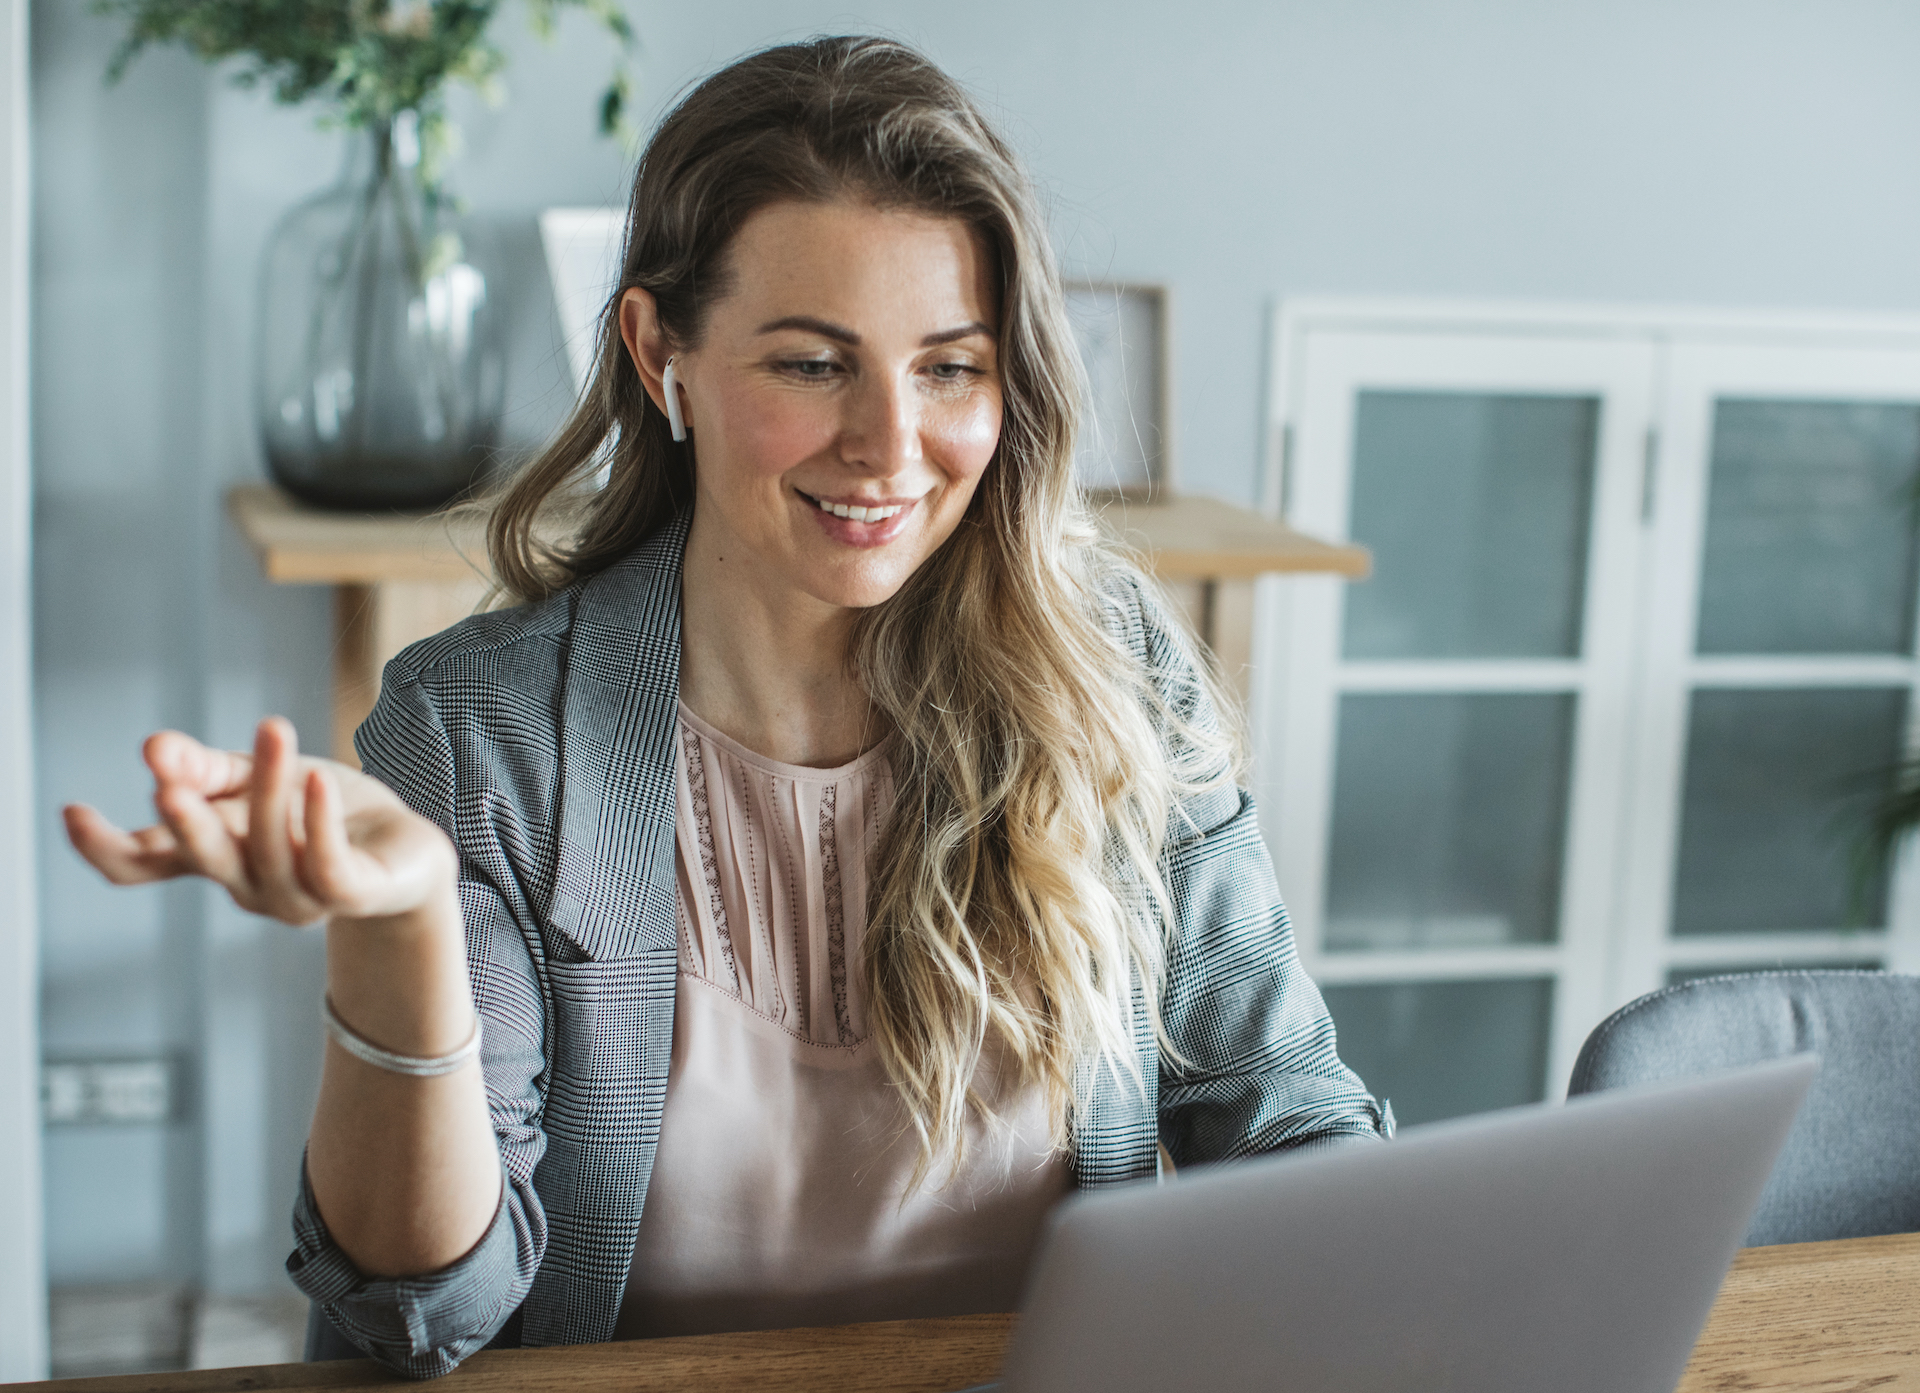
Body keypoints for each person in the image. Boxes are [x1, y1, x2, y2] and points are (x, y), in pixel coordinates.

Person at [64, 35, 1389, 1380]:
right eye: (814, 365)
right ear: (661, 355)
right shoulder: (483, 735)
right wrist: (398, 929)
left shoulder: (1117, 676)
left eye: (949, 366)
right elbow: (422, 1315)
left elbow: (1282, 1113)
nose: (888, 443)